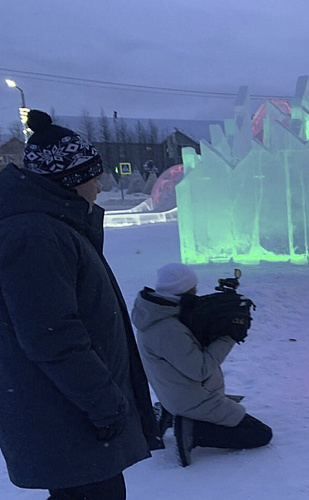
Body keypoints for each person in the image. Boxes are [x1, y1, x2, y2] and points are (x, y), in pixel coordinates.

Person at [0, 110, 157, 499]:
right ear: (69, 180)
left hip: (70, 416)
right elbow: (52, 337)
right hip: (68, 418)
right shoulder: (35, 235)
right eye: (92, 177)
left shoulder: (52, 226)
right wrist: (106, 405)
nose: (99, 187)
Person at [131, 263, 272, 467]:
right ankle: (191, 429)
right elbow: (200, 369)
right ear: (184, 290)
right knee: (260, 434)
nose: (197, 291)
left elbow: (190, 340)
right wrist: (229, 335)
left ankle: (168, 411)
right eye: (193, 287)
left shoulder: (160, 312)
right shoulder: (167, 329)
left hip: (175, 392)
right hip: (191, 399)